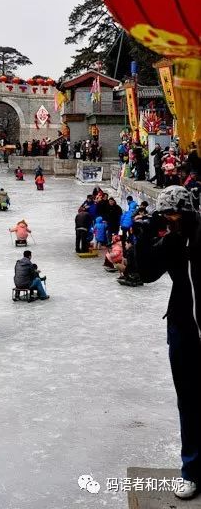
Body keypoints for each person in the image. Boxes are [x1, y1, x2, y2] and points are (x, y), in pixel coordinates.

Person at [135, 186, 201, 500]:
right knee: (188, 403)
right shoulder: (173, 241)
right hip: (183, 331)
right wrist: (147, 232)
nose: (170, 220)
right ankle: (191, 471)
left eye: (173, 213)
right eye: (165, 215)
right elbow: (145, 272)